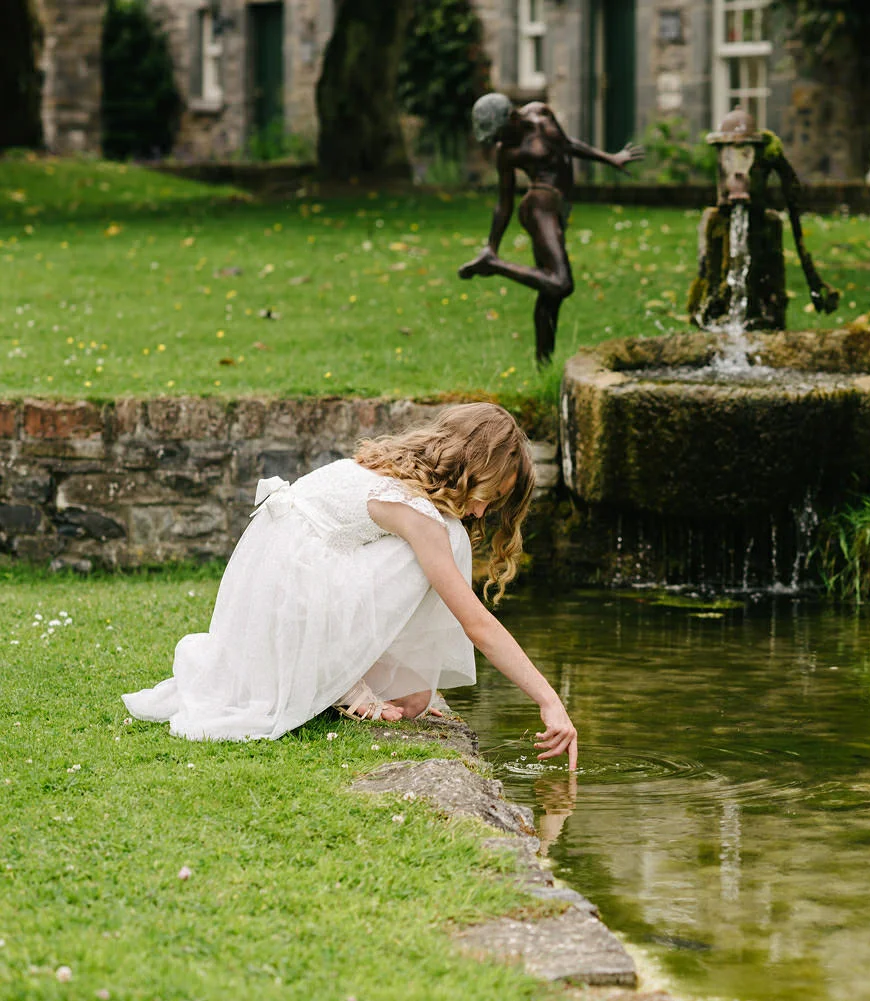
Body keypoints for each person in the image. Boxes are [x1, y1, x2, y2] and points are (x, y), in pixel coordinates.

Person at [121, 403, 579, 770]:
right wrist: (549, 700)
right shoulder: (417, 513)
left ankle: (341, 673)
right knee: (451, 537)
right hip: (292, 598)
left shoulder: (385, 469)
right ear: (469, 465)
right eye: (487, 495)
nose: (481, 512)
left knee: (415, 698)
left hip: (269, 594)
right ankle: (340, 679)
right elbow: (476, 624)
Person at [458, 92, 644, 365]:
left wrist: (610, 158)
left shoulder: (541, 114)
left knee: (549, 293)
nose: (498, 140)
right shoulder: (506, 152)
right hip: (539, 206)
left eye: (500, 132)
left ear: (512, 117)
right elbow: (504, 203)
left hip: (556, 206)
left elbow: (566, 145)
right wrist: (492, 246)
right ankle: (494, 265)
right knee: (561, 283)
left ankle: (543, 364)